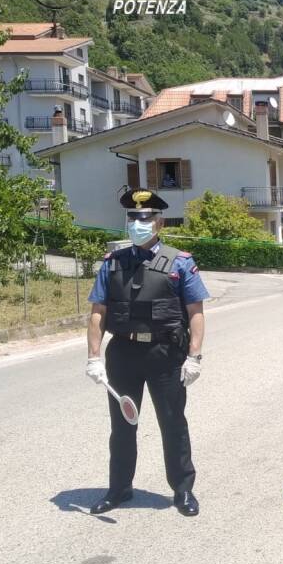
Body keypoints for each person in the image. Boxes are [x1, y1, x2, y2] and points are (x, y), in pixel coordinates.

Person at [84, 188, 209, 517]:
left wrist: (194, 357)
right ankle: (119, 489)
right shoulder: (113, 264)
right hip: (123, 354)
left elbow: (195, 313)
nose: (138, 223)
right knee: (123, 426)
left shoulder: (180, 262)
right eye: (133, 218)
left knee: (173, 423)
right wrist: (93, 357)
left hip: (165, 353)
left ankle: (183, 490)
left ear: (159, 222)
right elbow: (98, 312)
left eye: (145, 218)